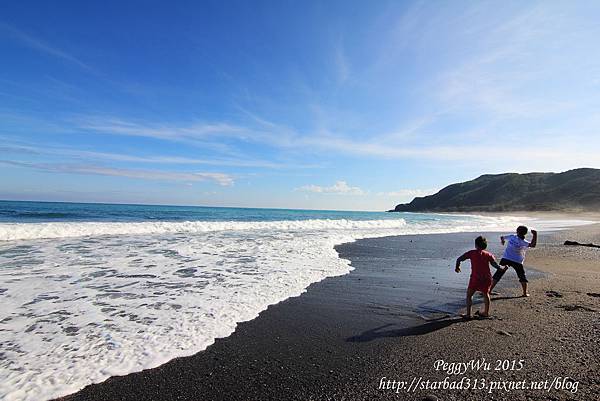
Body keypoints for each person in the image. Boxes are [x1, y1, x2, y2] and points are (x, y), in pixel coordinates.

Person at [455, 236, 506, 319]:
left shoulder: (471, 253)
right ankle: (486, 312)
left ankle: (468, 314)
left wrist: (457, 267)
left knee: (469, 295)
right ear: (485, 246)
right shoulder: (489, 255)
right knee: (486, 294)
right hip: (487, 278)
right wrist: (502, 268)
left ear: (476, 245)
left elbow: (459, 259)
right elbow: (495, 265)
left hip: (475, 278)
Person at [490, 225, 537, 297]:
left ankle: (489, 290)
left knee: (498, 274)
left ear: (517, 231)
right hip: (517, 261)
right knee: (521, 276)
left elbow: (502, 237)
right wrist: (535, 235)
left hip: (506, 258)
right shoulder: (523, 241)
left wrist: (502, 241)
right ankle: (524, 293)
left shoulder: (512, 236)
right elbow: (533, 245)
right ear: (525, 233)